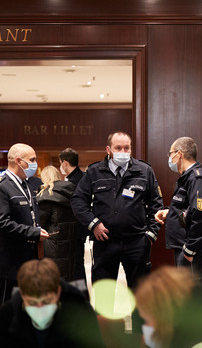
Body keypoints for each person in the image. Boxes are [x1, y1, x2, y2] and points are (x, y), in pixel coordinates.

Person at [70, 131, 163, 323]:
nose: (123, 151)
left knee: (140, 294)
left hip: (136, 241)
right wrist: (93, 223)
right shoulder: (94, 172)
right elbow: (78, 200)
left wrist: (151, 234)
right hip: (105, 242)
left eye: (126, 147)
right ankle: (105, 338)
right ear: (108, 150)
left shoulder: (144, 171)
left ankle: (141, 338)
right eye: (118, 148)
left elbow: (156, 204)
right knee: (104, 294)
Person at [0, 143, 51, 312]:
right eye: (32, 160)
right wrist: (33, 232)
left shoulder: (26, 185)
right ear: (18, 161)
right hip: (10, 263)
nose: (35, 164)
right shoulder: (0, 186)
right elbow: (0, 222)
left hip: (29, 260)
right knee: (6, 313)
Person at [0, 258, 105, 348]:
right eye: (32, 303)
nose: (40, 308)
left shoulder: (80, 311)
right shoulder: (7, 316)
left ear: (58, 292)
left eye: (46, 302)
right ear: (23, 296)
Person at [154, 137, 202, 284]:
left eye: (170, 154)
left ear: (179, 154)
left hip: (191, 249)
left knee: (193, 297)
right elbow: (188, 208)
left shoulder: (198, 179)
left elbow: (201, 215)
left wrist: (190, 249)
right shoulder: (187, 178)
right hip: (185, 246)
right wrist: (169, 212)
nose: (169, 158)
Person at [37, 166, 78, 282]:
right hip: (70, 239)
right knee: (67, 273)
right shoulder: (71, 192)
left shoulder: (45, 195)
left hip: (52, 241)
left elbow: (40, 221)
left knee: (51, 276)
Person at [58, 147, 88, 284]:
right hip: (81, 227)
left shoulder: (72, 182)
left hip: (74, 228)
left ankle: (80, 297)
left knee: (75, 266)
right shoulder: (83, 177)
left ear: (64, 163)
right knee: (77, 265)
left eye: (60, 163)